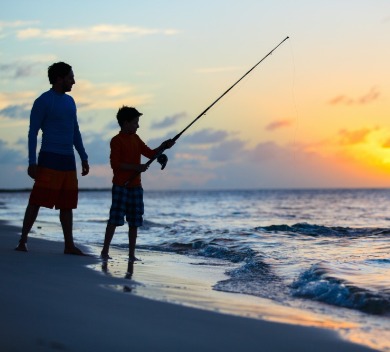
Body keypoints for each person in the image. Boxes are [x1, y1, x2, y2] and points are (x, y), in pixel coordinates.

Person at [15, 62, 90, 255]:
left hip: (68, 160)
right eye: (70, 77)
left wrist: (83, 156)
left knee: (67, 204)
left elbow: (75, 131)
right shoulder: (44, 101)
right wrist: (32, 162)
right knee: (37, 200)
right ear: (59, 78)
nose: (74, 81)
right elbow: (33, 133)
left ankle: (69, 245)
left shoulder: (70, 101)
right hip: (49, 158)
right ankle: (23, 240)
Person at [101, 106, 174, 261]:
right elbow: (116, 164)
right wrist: (137, 167)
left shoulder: (136, 138)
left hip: (136, 187)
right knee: (114, 219)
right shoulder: (116, 141)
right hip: (121, 186)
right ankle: (105, 251)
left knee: (134, 221)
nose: (138, 126)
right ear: (126, 123)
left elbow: (150, 153)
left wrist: (163, 146)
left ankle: (132, 254)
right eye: (135, 122)